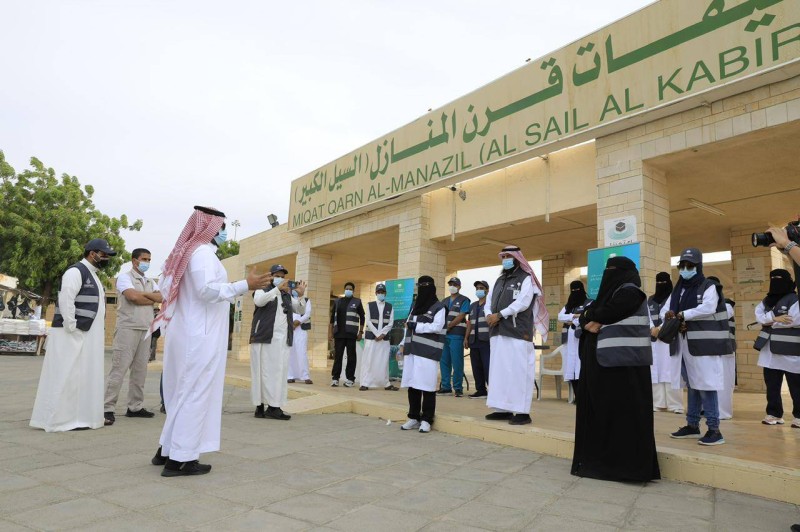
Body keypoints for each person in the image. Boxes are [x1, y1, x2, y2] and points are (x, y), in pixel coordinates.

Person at [150, 206, 272, 476]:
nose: (223, 232)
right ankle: (181, 460)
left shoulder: (192, 252)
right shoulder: (202, 253)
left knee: (182, 393)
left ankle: (167, 450)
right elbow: (206, 290)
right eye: (221, 227)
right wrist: (245, 285)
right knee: (195, 393)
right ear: (210, 227)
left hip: (190, 334)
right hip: (199, 336)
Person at [571, 256, 660, 482]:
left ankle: (625, 469)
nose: (609, 273)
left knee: (624, 419)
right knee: (602, 415)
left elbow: (607, 313)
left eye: (614, 270)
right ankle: (601, 464)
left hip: (625, 369)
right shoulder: (606, 296)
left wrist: (592, 316)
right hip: (606, 366)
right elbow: (588, 316)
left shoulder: (631, 292)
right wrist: (590, 317)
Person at [30, 238, 116, 432]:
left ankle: (81, 418)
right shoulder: (75, 271)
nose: (106, 258)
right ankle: (60, 419)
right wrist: (72, 327)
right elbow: (66, 299)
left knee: (83, 376)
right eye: (104, 254)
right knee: (66, 375)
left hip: (87, 334)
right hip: (72, 333)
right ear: (92, 253)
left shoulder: (93, 275)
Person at [663, 248, 731, 446]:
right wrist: (669, 315)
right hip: (684, 344)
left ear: (698, 266)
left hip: (704, 345)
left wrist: (683, 315)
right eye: (682, 266)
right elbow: (666, 309)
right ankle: (692, 425)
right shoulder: (678, 289)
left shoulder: (709, 286)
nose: (685, 269)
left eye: (690, 265)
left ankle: (714, 430)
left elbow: (708, 307)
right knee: (692, 385)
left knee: (707, 385)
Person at [484, 245, 548, 425]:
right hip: (497, 332)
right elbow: (488, 302)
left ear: (517, 258)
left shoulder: (526, 278)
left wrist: (499, 315)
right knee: (499, 372)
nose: (505, 259)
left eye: (508, 256)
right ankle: (502, 409)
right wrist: (488, 315)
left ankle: (522, 412)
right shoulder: (499, 280)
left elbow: (523, 302)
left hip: (518, 332)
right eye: (503, 256)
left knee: (519, 372)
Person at [103, 248, 162, 426]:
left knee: (140, 371)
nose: (147, 262)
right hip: (127, 328)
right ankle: (107, 408)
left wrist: (142, 295)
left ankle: (135, 407)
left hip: (145, 330)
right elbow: (132, 297)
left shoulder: (150, 281)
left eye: (149, 259)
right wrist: (150, 298)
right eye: (144, 259)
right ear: (134, 260)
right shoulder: (124, 278)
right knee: (119, 369)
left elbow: (161, 297)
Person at [250, 265, 308, 421]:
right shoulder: (263, 289)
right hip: (265, 337)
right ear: (271, 276)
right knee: (263, 372)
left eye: (283, 276)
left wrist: (300, 296)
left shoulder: (286, 295)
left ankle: (273, 406)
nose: (280, 279)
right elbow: (259, 301)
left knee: (277, 373)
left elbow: (300, 310)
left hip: (282, 340)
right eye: (277, 275)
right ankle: (262, 406)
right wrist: (276, 289)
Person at [754, 269, 800, 427]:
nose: (775, 280)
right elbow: (758, 317)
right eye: (772, 278)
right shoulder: (766, 300)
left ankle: (799, 416)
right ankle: (774, 413)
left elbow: (794, 320)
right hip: (769, 352)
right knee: (772, 385)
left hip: (790, 350)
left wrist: (770, 321)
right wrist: (776, 318)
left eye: (779, 278)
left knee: (796, 385)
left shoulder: (794, 299)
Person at [399, 276, 446, 433]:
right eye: (420, 286)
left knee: (427, 385)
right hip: (412, 350)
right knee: (413, 384)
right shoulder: (415, 306)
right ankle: (413, 417)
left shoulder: (439, 307)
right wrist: (402, 345)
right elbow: (407, 326)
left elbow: (437, 327)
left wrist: (416, 326)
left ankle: (426, 419)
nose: (422, 289)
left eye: (425, 286)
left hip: (427, 352)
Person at [648, 272, 683, 414]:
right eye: (658, 282)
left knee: (670, 371)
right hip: (653, 339)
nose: (660, 285)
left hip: (669, 338)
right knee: (655, 371)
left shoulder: (674, 298)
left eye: (663, 282)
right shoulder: (650, 300)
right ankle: (658, 403)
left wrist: (660, 329)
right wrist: (652, 328)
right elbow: (647, 316)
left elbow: (674, 316)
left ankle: (675, 405)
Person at [557, 280, 592, 399]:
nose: (575, 292)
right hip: (569, 341)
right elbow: (560, 317)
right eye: (573, 290)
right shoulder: (569, 305)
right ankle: (577, 396)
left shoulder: (589, 303)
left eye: (577, 290)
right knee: (570, 368)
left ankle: (582, 397)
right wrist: (574, 316)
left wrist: (573, 320)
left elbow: (587, 316)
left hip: (581, 339)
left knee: (580, 367)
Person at [708, 276, 736, 420]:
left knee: (725, 382)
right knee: (709, 381)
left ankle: (723, 412)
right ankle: (709, 409)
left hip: (725, 349)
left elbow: (717, 315)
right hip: (708, 349)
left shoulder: (728, 305)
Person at [437, 277, 471, 397]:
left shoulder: (464, 300)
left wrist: (450, 325)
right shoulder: (444, 301)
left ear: (459, 287)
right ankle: (446, 387)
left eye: (455, 284)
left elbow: (462, 315)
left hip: (456, 334)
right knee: (444, 362)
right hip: (444, 335)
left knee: (457, 362)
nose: (452, 286)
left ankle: (458, 388)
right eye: (450, 284)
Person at [359, 283, 397, 391]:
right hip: (372, 338)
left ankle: (386, 383)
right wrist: (377, 334)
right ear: (376, 293)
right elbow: (368, 321)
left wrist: (382, 334)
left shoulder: (390, 306)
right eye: (379, 292)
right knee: (369, 361)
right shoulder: (370, 305)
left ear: (385, 293)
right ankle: (365, 383)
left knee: (383, 362)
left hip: (384, 339)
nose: (381, 294)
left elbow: (390, 323)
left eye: (382, 292)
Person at [329, 281, 365, 387]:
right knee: (338, 356)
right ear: (344, 290)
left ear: (353, 291)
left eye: (350, 289)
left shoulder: (357, 302)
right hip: (339, 334)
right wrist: (330, 332)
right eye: (347, 289)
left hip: (351, 334)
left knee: (351, 357)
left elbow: (362, 318)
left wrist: (360, 332)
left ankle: (350, 379)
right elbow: (332, 318)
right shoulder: (337, 301)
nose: (348, 290)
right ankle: (335, 378)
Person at [464, 280, 491, 399]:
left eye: (481, 288)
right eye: (477, 288)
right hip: (474, 341)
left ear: (487, 290)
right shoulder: (473, 306)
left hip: (486, 341)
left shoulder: (491, 305)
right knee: (476, 367)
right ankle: (481, 390)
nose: (479, 290)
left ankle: (493, 390)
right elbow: (469, 323)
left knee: (488, 366)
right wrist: (466, 338)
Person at [287, 293, 313, 384]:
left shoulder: (306, 300)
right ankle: (290, 376)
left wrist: (298, 322)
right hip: (289, 328)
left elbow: (307, 313)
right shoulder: (287, 299)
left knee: (302, 352)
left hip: (301, 329)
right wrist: (291, 324)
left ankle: (305, 376)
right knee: (290, 352)